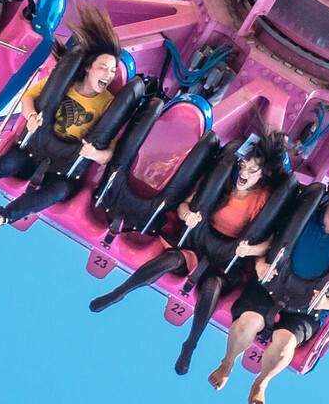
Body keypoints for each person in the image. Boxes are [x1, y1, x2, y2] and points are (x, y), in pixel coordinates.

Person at [86, 135, 293, 375]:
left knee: (211, 287)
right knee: (172, 259)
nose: (244, 172)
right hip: (197, 243)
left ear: (262, 176)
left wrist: (251, 250)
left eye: (252, 170)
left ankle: (190, 345)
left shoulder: (263, 199)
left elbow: (269, 243)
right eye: (243, 165)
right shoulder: (223, 181)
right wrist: (187, 215)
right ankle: (118, 292)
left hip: (227, 260)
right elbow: (186, 204)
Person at [0, 6, 128, 229]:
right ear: (88, 68)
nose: (108, 74)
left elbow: (108, 155)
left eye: (112, 71)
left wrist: (94, 153)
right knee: (6, 163)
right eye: (103, 68)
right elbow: (30, 96)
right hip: (34, 147)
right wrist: (31, 116)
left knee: (58, 191)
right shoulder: (65, 83)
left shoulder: (108, 104)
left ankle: (1, 216)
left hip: (65, 166)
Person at [209, 170, 329, 404]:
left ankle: (262, 381)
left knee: (285, 341)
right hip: (274, 283)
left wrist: (325, 303)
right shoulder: (303, 215)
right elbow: (274, 241)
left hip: (309, 305)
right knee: (248, 322)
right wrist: (260, 264)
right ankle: (227, 363)